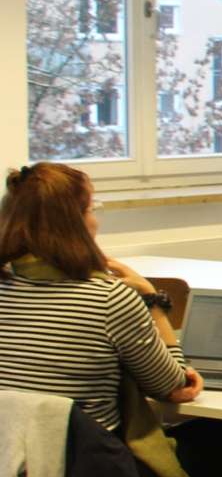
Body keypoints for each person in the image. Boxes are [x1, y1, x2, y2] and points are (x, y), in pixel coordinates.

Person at [0, 162, 202, 433]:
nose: (96, 221)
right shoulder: (109, 300)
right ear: (73, 224)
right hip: (86, 466)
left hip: (10, 463)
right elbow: (175, 387)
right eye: (91, 210)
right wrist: (150, 298)